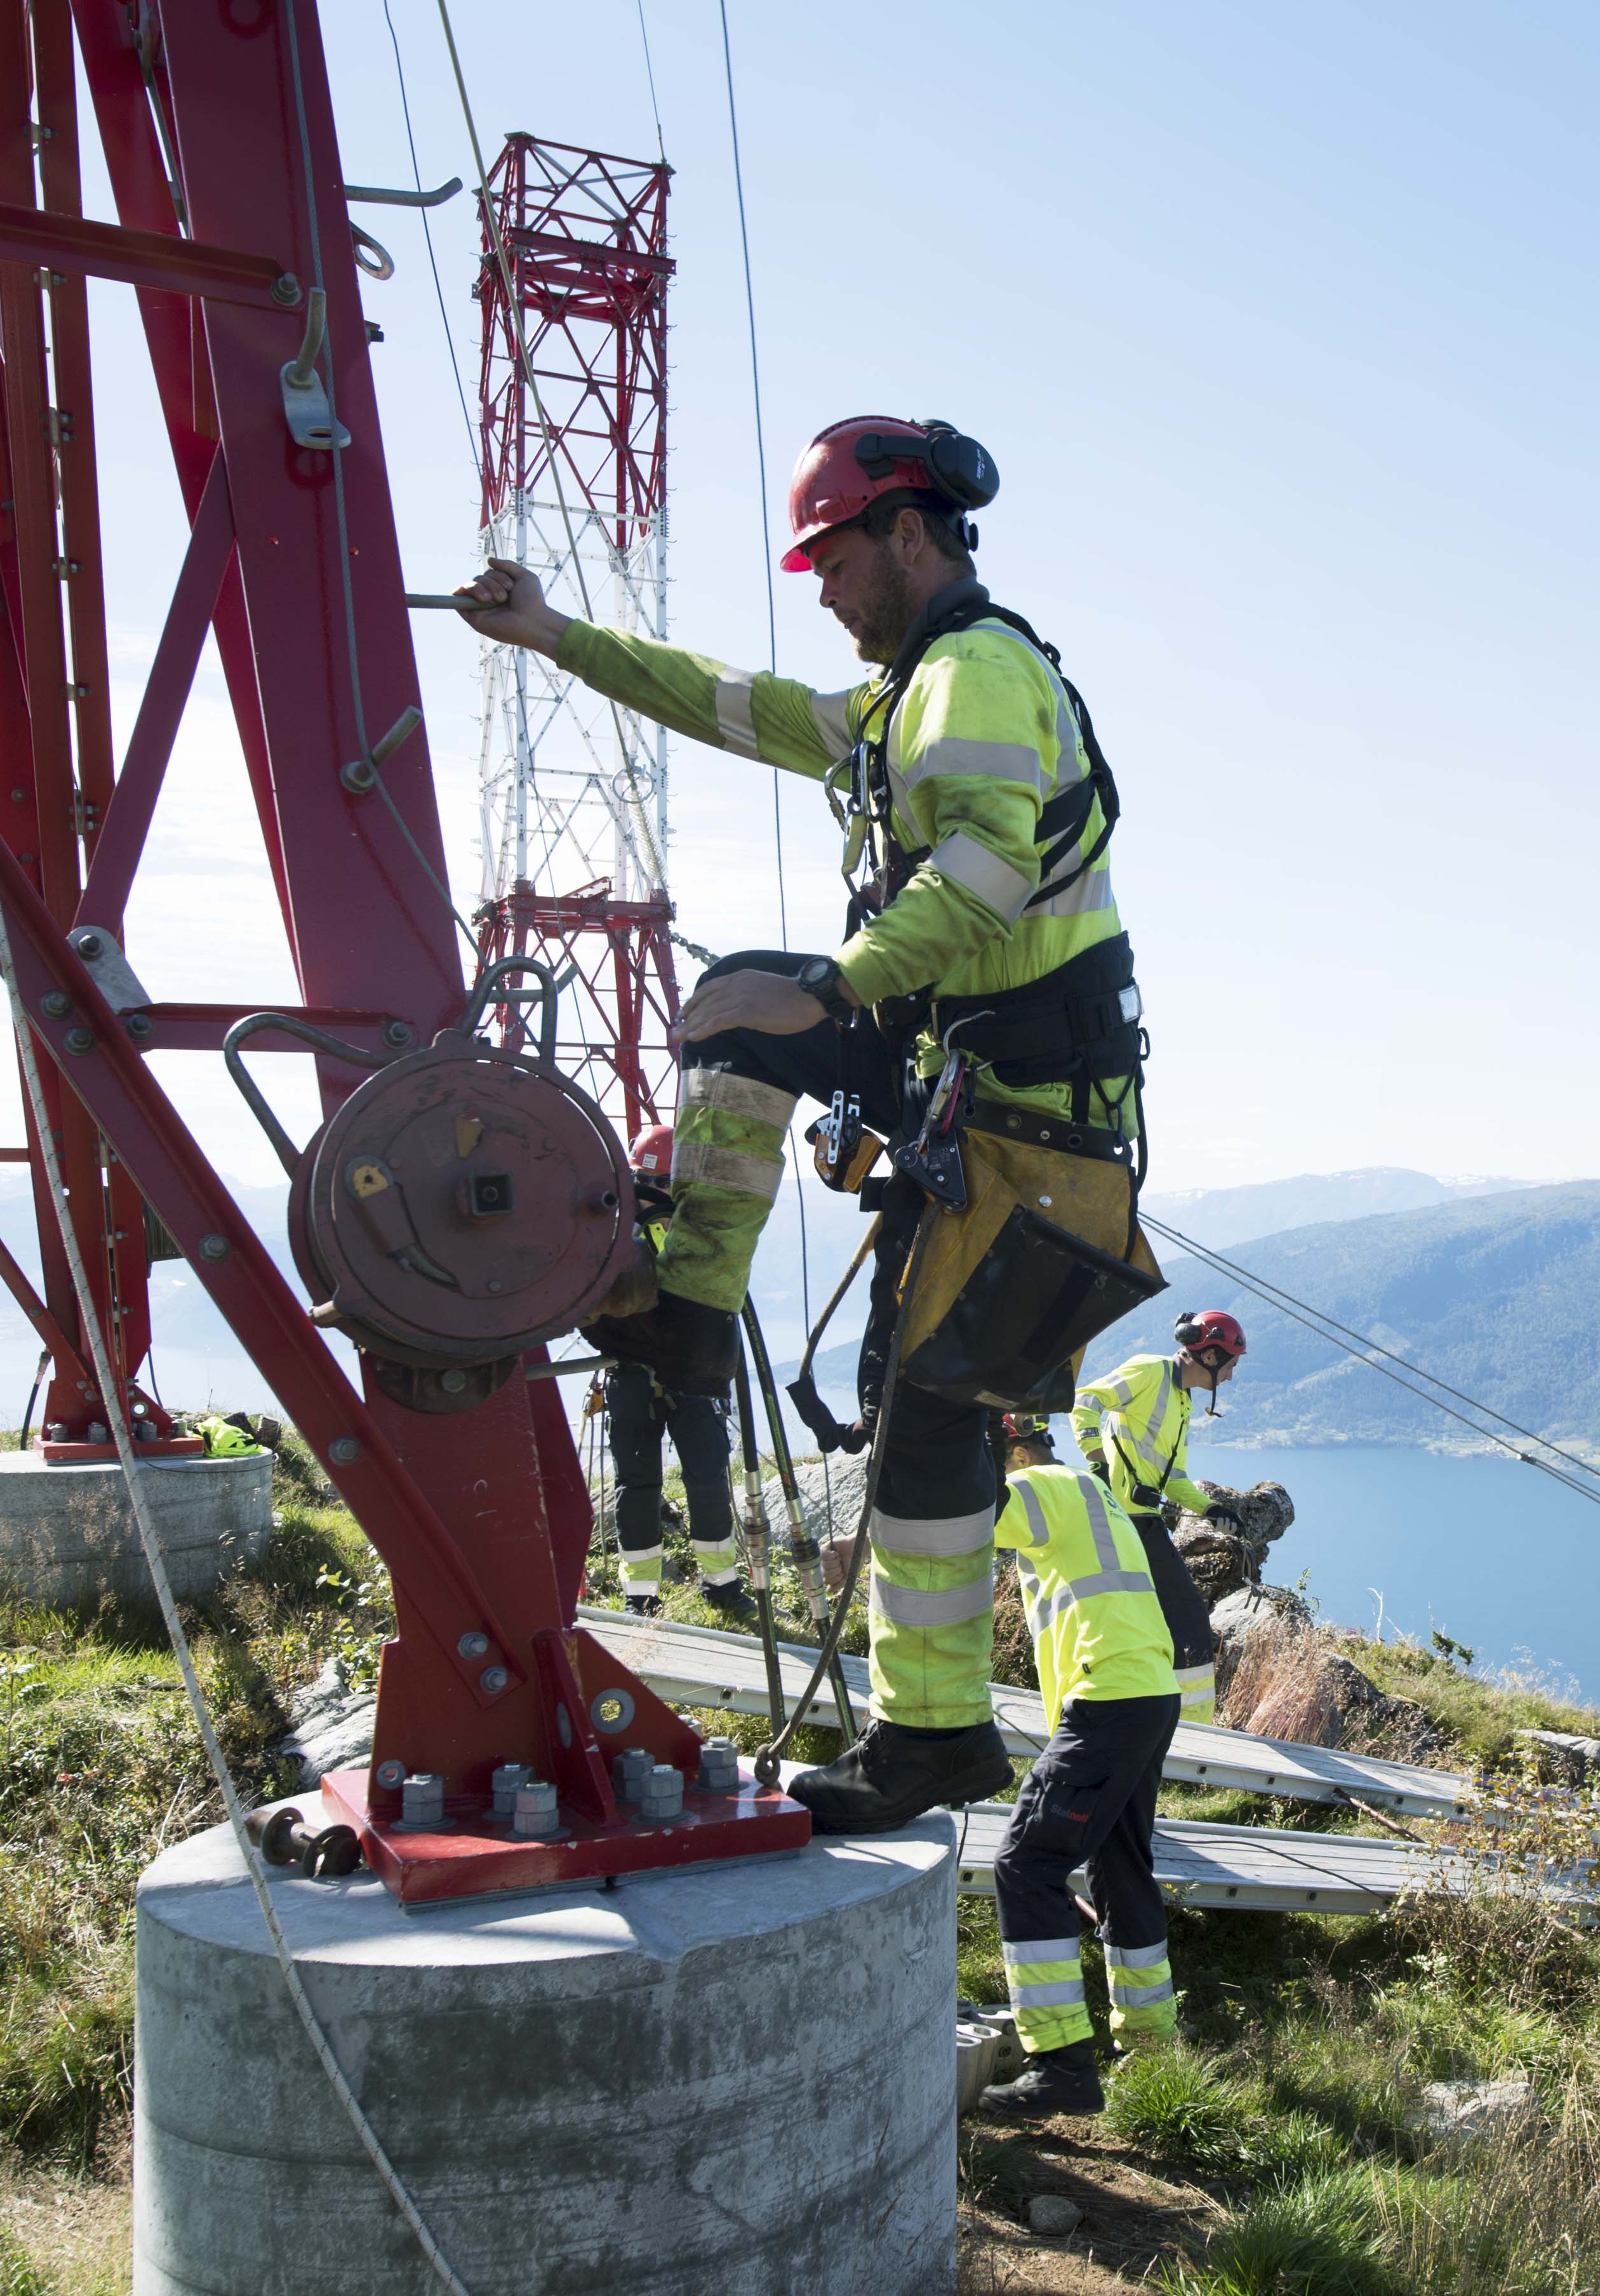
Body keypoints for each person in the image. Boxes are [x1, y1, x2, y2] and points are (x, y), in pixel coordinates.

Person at [460, 415, 1142, 1836]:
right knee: (922, 1418)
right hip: (1008, 1101)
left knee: (923, 1423)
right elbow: (731, 700)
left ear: (908, 531)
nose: (820, 590)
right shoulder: (906, 700)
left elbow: (979, 876)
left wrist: (830, 986)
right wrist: (557, 638)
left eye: (831, 558)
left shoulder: (971, 679)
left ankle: (927, 1721)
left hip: (1026, 1116)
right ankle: (930, 1727)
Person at [977, 1412, 1182, 2118]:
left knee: (1025, 1864)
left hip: (1108, 1701)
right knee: (1121, 1862)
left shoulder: (1039, 1485)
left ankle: (1061, 2063)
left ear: (1008, 1449)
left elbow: (975, 1513)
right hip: (1149, 1693)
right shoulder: (1092, 1490)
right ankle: (1151, 2039)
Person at [1071, 1311, 1246, 1723]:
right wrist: (1097, 1463)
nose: (1231, 1378)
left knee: (1150, 1624)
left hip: (1141, 1520)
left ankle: (1149, 1717)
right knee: (1187, 1618)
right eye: (1231, 1365)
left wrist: (1212, 1509)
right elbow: (1086, 1402)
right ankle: (1192, 1729)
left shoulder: (1182, 1403)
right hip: (1122, 1520)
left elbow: (1175, 1480)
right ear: (1210, 1356)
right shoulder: (1151, 1371)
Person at [605, 1125, 745, 1619]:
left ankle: (721, 1585)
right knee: (638, 1485)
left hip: (688, 1378)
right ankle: (641, 1593)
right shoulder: (614, 1234)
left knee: (706, 1479)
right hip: (640, 1375)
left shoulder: (673, 1231)